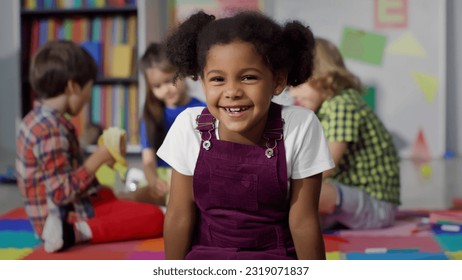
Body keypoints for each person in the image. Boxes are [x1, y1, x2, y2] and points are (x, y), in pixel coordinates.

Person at [157, 11, 335, 260]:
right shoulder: (189, 126)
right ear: (203, 83)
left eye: (248, 77)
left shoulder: (300, 125)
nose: (232, 91)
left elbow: (303, 221)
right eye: (217, 79)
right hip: (206, 259)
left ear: (278, 81)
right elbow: (178, 215)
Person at [15, 40, 164, 253]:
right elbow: (60, 193)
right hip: (61, 219)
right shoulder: (51, 130)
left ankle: (124, 201)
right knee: (155, 217)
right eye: (88, 89)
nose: (87, 99)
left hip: (72, 207)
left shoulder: (36, 119)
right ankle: (74, 232)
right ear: (73, 86)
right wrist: (100, 157)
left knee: (110, 195)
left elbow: (63, 177)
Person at [289, 37, 401, 230]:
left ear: (321, 75)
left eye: (297, 84)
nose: (292, 93)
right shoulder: (325, 108)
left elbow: (326, 166)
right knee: (297, 204)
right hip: (349, 201)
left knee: (303, 191)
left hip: (376, 207)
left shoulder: (342, 105)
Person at [122, 42, 206, 206]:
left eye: (169, 80)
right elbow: (148, 160)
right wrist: (153, 181)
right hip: (162, 180)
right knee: (131, 199)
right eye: (157, 86)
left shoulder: (202, 110)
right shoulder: (151, 115)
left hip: (192, 178)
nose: (165, 89)